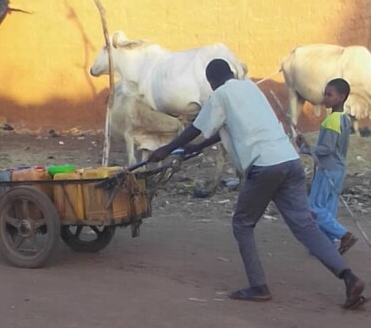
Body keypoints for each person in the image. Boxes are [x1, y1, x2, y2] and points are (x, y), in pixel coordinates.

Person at [147, 59, 366, 309]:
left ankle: (258, 286)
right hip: (289, 160)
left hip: (264, 166)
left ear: (212, 81)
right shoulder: (250, 88)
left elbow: (197, 127)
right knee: (305, 226)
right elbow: (224, 129)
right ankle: (349, 278)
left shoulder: (220, 94)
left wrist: (165, 149)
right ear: (231, 73)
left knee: (242, 223)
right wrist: (196, 148)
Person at [296, 78, 357, 255]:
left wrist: (307, 149)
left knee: (314, 206)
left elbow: (327, 149)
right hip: (338, 169)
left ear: (341, 97)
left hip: (328, 170)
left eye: (329, 94)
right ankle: (326, 245)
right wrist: (306, 147)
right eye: (325, 93)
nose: (325, 97)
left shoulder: (331, 121)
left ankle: (343, 235)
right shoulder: (343, 119)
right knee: (328, 207)